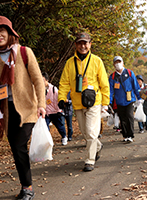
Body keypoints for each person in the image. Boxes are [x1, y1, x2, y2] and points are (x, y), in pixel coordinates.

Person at [0, 16, 46, 200]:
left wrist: (41, 104)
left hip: (27, 109)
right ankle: (25, 184)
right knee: (16, 148)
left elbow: (38, 80)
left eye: (2, 31)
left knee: (19, 146)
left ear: (10, 33)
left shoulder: (25, 52)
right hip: (6, 111)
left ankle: (27, 187)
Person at [58, 32, 110, 172]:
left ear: (90, 44)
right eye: (80, 43)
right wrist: (61, 98)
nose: (83, 46)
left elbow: (104, 83)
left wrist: (105, 103)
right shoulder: (70, 63)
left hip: (94, 101)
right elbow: (64, 83)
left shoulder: (97, 61)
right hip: (77, 102)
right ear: (75, 45)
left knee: (92, 132)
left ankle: (89, 160)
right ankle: (98, 147)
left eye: (85, 43)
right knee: (85, 132)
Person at [109, 56, 142, 143]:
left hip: (129, 100)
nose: (118, 64)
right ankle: (125, 135)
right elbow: (110, 90)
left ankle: (130, 135)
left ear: (123, 63)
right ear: (114, 65)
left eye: (119, 62)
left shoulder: (130, 73)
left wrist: (139, 98)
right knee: (122, 119)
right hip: (119, 101)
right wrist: (109, 102)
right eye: (116, 62)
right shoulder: (112, 76)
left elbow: (136, 86)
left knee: (129, 117)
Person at [42, 72, 68, 145]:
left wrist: (60, 108)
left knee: (60, 126)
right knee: (45, 128)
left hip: (55, 112)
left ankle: (64, 137)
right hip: (47, 113)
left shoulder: (53, 89)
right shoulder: (40, 90)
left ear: (47, 80)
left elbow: (59, 98)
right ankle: (48, 141)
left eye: (43, 80)